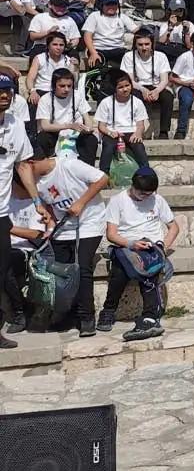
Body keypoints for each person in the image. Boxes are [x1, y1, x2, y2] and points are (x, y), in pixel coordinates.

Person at [31, 134, 108, 335]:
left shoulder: (68, 165)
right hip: (63, 228)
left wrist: (81, 202)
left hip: (89, 222)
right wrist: (50, 225)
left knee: (81, 268)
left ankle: (87, 317)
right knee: (60, 271)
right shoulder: (35, 183)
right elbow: (49, 206)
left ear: (33, 161)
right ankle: (66, 314)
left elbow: (102, 178)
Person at [98, 166, 179, 342]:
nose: (144, 197)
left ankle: (150, 316)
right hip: (126, 244)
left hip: (151, 246)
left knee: (150, 267)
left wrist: (162, 248)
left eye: (148, 194)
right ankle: (109, 310)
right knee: (121, 267)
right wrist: (132, 244)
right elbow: (111, 234)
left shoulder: (158, 200)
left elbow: (173, 227)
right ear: (132, 185)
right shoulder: (118, 201)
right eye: (141, 193)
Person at [93, 70, 151, 177]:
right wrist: (110, 133)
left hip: (131, 132)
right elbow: (101, 126)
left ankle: (146, 174)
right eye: (120, 87)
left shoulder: (137, 102)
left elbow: (140, 124)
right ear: (114, 88)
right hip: (112, 132)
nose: (125, 89)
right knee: (108, 147)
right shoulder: (106, 102)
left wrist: (138, 133)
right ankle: (103, 175)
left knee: (139, 147)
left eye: (127, 85)